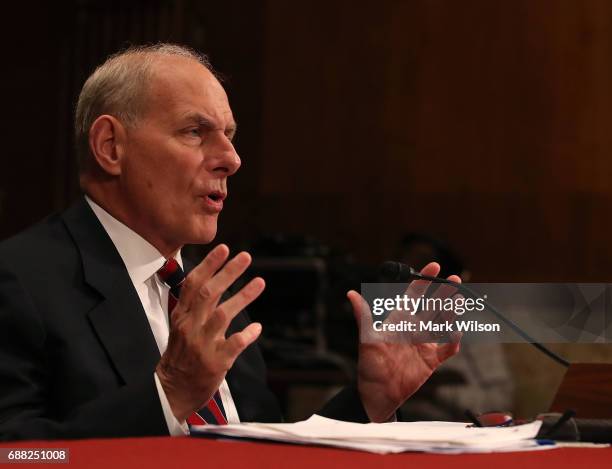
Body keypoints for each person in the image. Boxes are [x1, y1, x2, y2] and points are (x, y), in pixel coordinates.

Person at [0, 44, 460, 440]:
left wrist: (368, 403)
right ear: (110, 147)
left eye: (230, 136)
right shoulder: (20, 281)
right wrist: (168, 395)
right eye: (195, 131)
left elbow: (258, 453)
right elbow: (19, 455)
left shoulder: (209, 289)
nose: (231, 160)